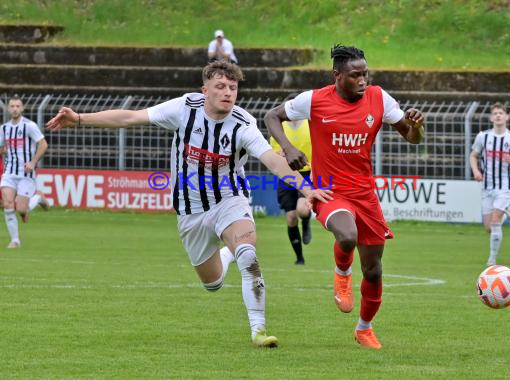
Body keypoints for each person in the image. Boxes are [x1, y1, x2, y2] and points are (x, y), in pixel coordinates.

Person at [46, 61, 331, 348]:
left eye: (233, 88)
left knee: (248, 256)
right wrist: (80, 118)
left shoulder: (243, 124)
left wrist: (306, 188)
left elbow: (271, 160)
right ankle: (226, 253)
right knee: (213, 283)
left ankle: (258, 331)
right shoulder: (184, 109)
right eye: (220, 87)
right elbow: (130, 117)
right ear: (204, 90)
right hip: (190, 210)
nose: (228, 93)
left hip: (230, 201)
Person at [264, 45, 425, 350]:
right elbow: (272, 116)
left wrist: (418, 128)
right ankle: (342, 274)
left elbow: (412, 138)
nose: (363, 80)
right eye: (355, 75)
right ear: (337, 76)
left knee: (374, 270)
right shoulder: (314, 100)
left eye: (366, 73)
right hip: (328, 188)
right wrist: (287, 148)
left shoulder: (379, 98)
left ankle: (364, 328)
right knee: (347, 235)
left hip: (364, 193)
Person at [470, 103, 510, 266]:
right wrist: (476, 171)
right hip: (487, 186)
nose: (498, 116)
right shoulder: (483, 137)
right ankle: (507, 211)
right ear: (491, 118)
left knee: (495, 221)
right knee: (488, 228)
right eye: (495, 113)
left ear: (506, 117)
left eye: (501, 113)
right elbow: (473, 156)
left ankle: (492, 259)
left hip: (505, 187)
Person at [1, 95, 48, 248]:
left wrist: (33, 162)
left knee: (21, 208)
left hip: (25, 174)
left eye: (17, 106)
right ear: (8, 109)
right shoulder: (4, 128)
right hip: (9, 173)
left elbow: (43, 144)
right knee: (8, 204)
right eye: (12, 106)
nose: (15, 109)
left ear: (22, 108)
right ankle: (15, 240)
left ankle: (38, 198)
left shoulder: (29, 126)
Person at [269, 119, 313, 265]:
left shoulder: (310, 124)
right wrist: (279, 155)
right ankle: (299, 258)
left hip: (307, 173)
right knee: (291, 218)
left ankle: (306, 223)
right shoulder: (279, 128)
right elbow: (274, 153)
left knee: (302, 209)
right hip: (286, 175)